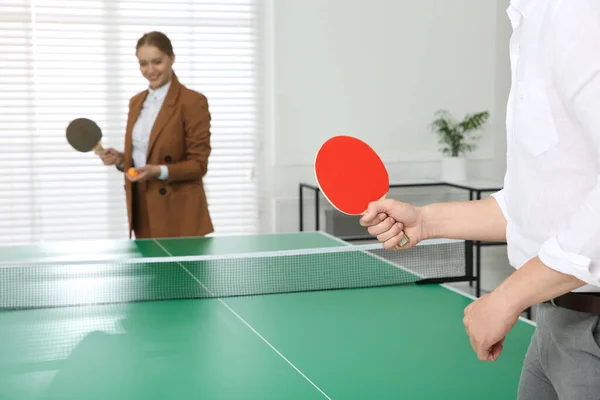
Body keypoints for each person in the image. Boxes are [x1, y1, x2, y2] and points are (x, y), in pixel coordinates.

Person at [360, 1, 600, 398]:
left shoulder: (577, 12)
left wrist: (508, 296)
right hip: (553, 323)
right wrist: (425, 221)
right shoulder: (530, 22)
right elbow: (532, 206)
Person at [100, 31, 214, 239]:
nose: (150, 70)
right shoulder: (136, 102)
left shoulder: (192, 102)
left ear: (172, 58)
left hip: (179, 214)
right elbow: (142, 158)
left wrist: (158, 170)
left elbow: (198, 165)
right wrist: (120, 160)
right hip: (143, 210)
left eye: (157, 62)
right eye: (143, 64)